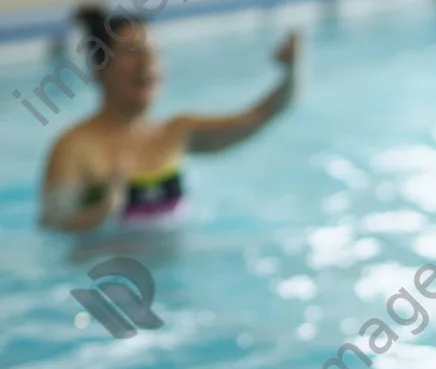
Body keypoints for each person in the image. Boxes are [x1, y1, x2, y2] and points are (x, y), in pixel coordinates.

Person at [39, 5, 300, 233]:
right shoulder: (74, 148)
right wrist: (102, 211)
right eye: (133, 53)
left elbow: (262, 115)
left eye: (154, 53)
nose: (148, 64)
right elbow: (54, 227)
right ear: (99, 67)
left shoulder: (176, 133)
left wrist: (291, 72)